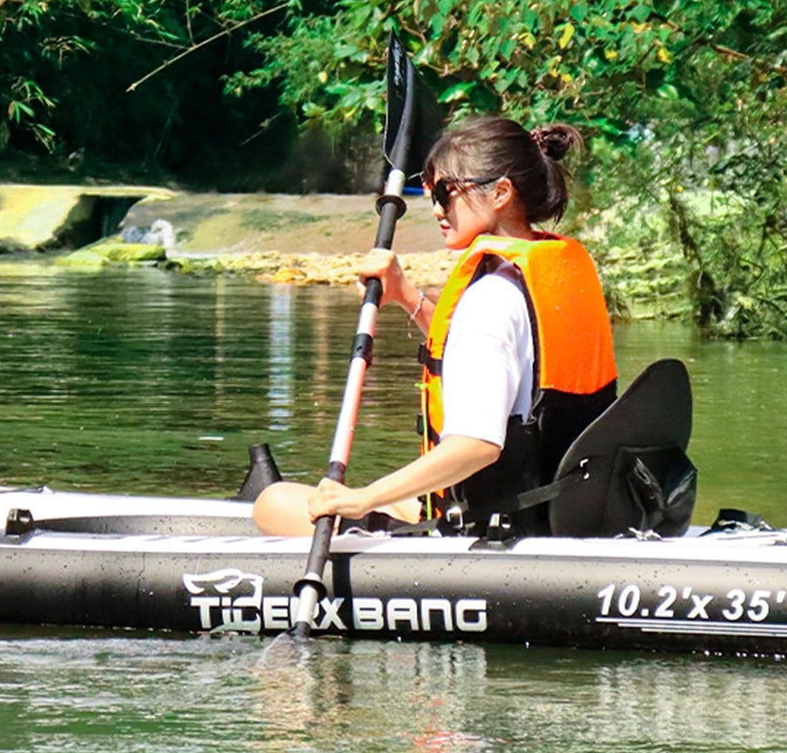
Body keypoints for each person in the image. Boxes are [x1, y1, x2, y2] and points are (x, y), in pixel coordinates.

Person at [252, 116, 617, 537]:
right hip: (553, 508)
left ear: (500, 192)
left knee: (273, 503)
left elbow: (476, 446)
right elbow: (485, 360)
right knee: (403, 496)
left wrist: (360, 499)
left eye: (446, 193)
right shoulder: (532, 277)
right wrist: (407, 295)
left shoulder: (489, 300)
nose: (438, 209)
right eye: (430, 192)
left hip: (497, 528)